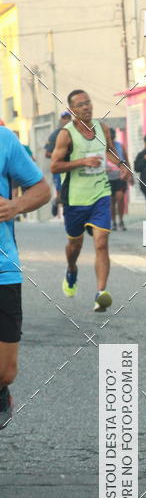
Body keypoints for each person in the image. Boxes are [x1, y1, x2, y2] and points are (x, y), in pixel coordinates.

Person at [51, 89, 128, 312]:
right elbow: (55, 166)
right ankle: (72, 268)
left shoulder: (102, 128)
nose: (87, 107)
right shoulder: (66, 134)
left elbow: (110, 151)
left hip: (101, 194)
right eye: (81, 104)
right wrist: (82, 161)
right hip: (75, 198)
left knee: (102, 242)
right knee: (75, 245)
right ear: (72, 110)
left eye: (89, 102)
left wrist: (122, 165)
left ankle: (100, 293)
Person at [0, 127, 51, 428]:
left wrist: (15, 205)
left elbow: (42, 189)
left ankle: (2, 390)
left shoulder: (4, 139)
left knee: (5, 372)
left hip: (3, 269)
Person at [45, 111, 71, 219]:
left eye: (68, 118)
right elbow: (47, 153)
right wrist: (60, 155)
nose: (66, 120)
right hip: (59, 169)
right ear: (60, 120)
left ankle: (68, 215)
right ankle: (56, 201)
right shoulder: (55, 135)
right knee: (61, 194)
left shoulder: (76, 132)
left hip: (73, 167)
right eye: (64, 118)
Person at [107, 128, 131, 231]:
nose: (111, 140)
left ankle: (121, 220)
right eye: (109, 138)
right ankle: (113, 222)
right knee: (112, 201)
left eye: (112, 138)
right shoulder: (103, 148)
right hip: (108, 178)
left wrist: (130, 174)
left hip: (120, 177)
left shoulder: (120, 146)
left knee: (120, 197)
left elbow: (127, 161)